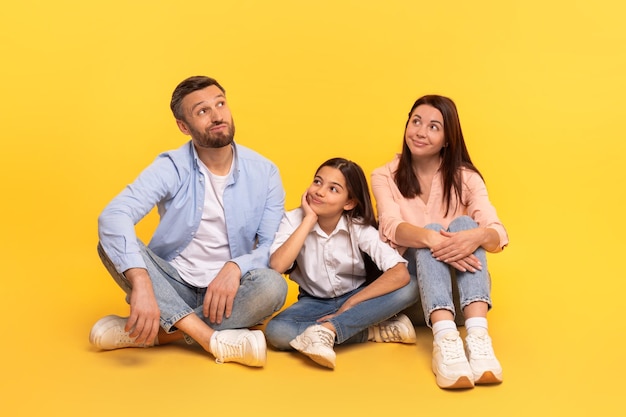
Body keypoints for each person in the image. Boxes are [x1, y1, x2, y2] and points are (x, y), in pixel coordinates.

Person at [90, 76, 288, 367]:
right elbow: (114, 216)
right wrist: (142, 282)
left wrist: (236, 266)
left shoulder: (266, 172)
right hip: (172, 283)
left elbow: (271, 247)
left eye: (220, 103)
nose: (217, 115)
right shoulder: (171, 166)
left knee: (273, 287)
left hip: (228, 292)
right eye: (202, 111)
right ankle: (213, 340)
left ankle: (156, 333)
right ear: (184, 126)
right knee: (109, 242)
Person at [371, 95, 509, 389]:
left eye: (434, 127)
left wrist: (477, 235)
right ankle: (445, 342)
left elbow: (497, 233)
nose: (420, 132)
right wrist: (434, 238)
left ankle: (478, 339)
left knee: (466, 225)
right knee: (430, 230)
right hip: (415, 296)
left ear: (448, 139)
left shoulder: (467, 178)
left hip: (465, 298)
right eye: (416, 121)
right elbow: (391, 227)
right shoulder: (384, 175)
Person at [265, 157, 419, 369]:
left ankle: (329, 330)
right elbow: (277, 266)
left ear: (349, 203)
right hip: (314, 303)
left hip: (358, 297)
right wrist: (309, 220)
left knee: (411, 286)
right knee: (277, 332)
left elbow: (400, 273)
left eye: (333, 189)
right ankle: (369, 330)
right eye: (317, 182)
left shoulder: (358, 227)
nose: (319, 191)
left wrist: (351, 304)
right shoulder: (293, 220)